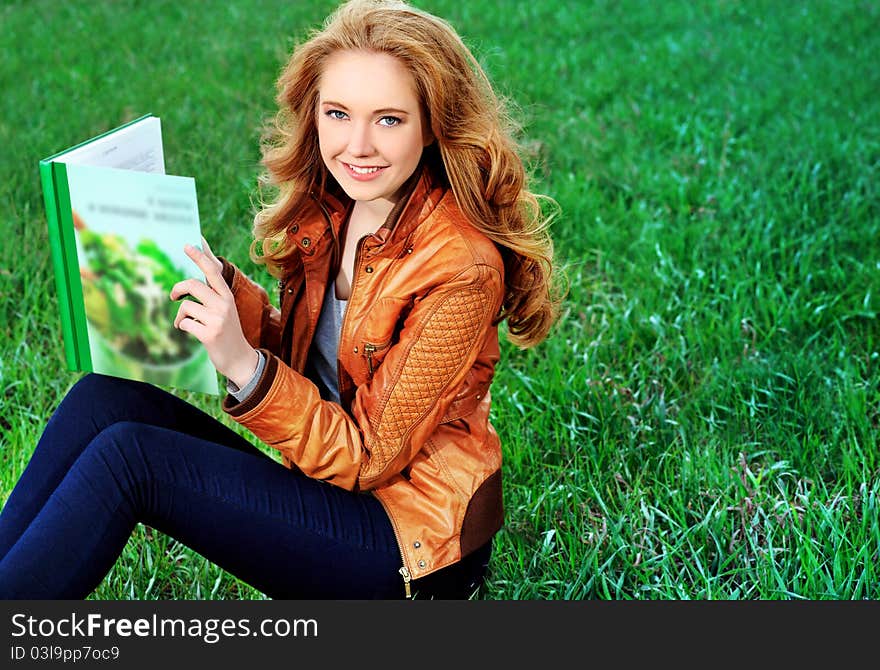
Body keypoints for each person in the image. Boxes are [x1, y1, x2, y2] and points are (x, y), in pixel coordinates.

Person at [0, 0, 561, 599]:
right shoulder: (336, 210)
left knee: (131, 459)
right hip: (324, 490)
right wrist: (213, 285)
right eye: (338, 114)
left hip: (407, 547)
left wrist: (243, 365)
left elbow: (369, 458)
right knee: (103, 400)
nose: (357, 145)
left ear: (433, 123)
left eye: (389, 119)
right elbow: (313, 363)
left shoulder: (462, 266)